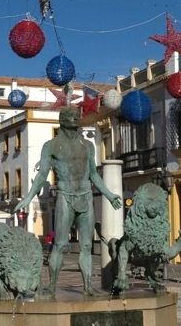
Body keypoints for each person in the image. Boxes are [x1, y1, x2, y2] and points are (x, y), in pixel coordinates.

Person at [15, 106, 121, 296]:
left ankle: (88, 286)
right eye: (70, 116)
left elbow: (94, 175)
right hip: (65, 196)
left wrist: (109, 194)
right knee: (60, 245)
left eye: (76, 116)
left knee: (87, 246)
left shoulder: (87, 146)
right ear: (62, 120)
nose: (74, 118)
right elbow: (42, 175)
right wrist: (28, 197)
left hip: (86, 196)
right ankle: (52, 286)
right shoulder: (51, 146)